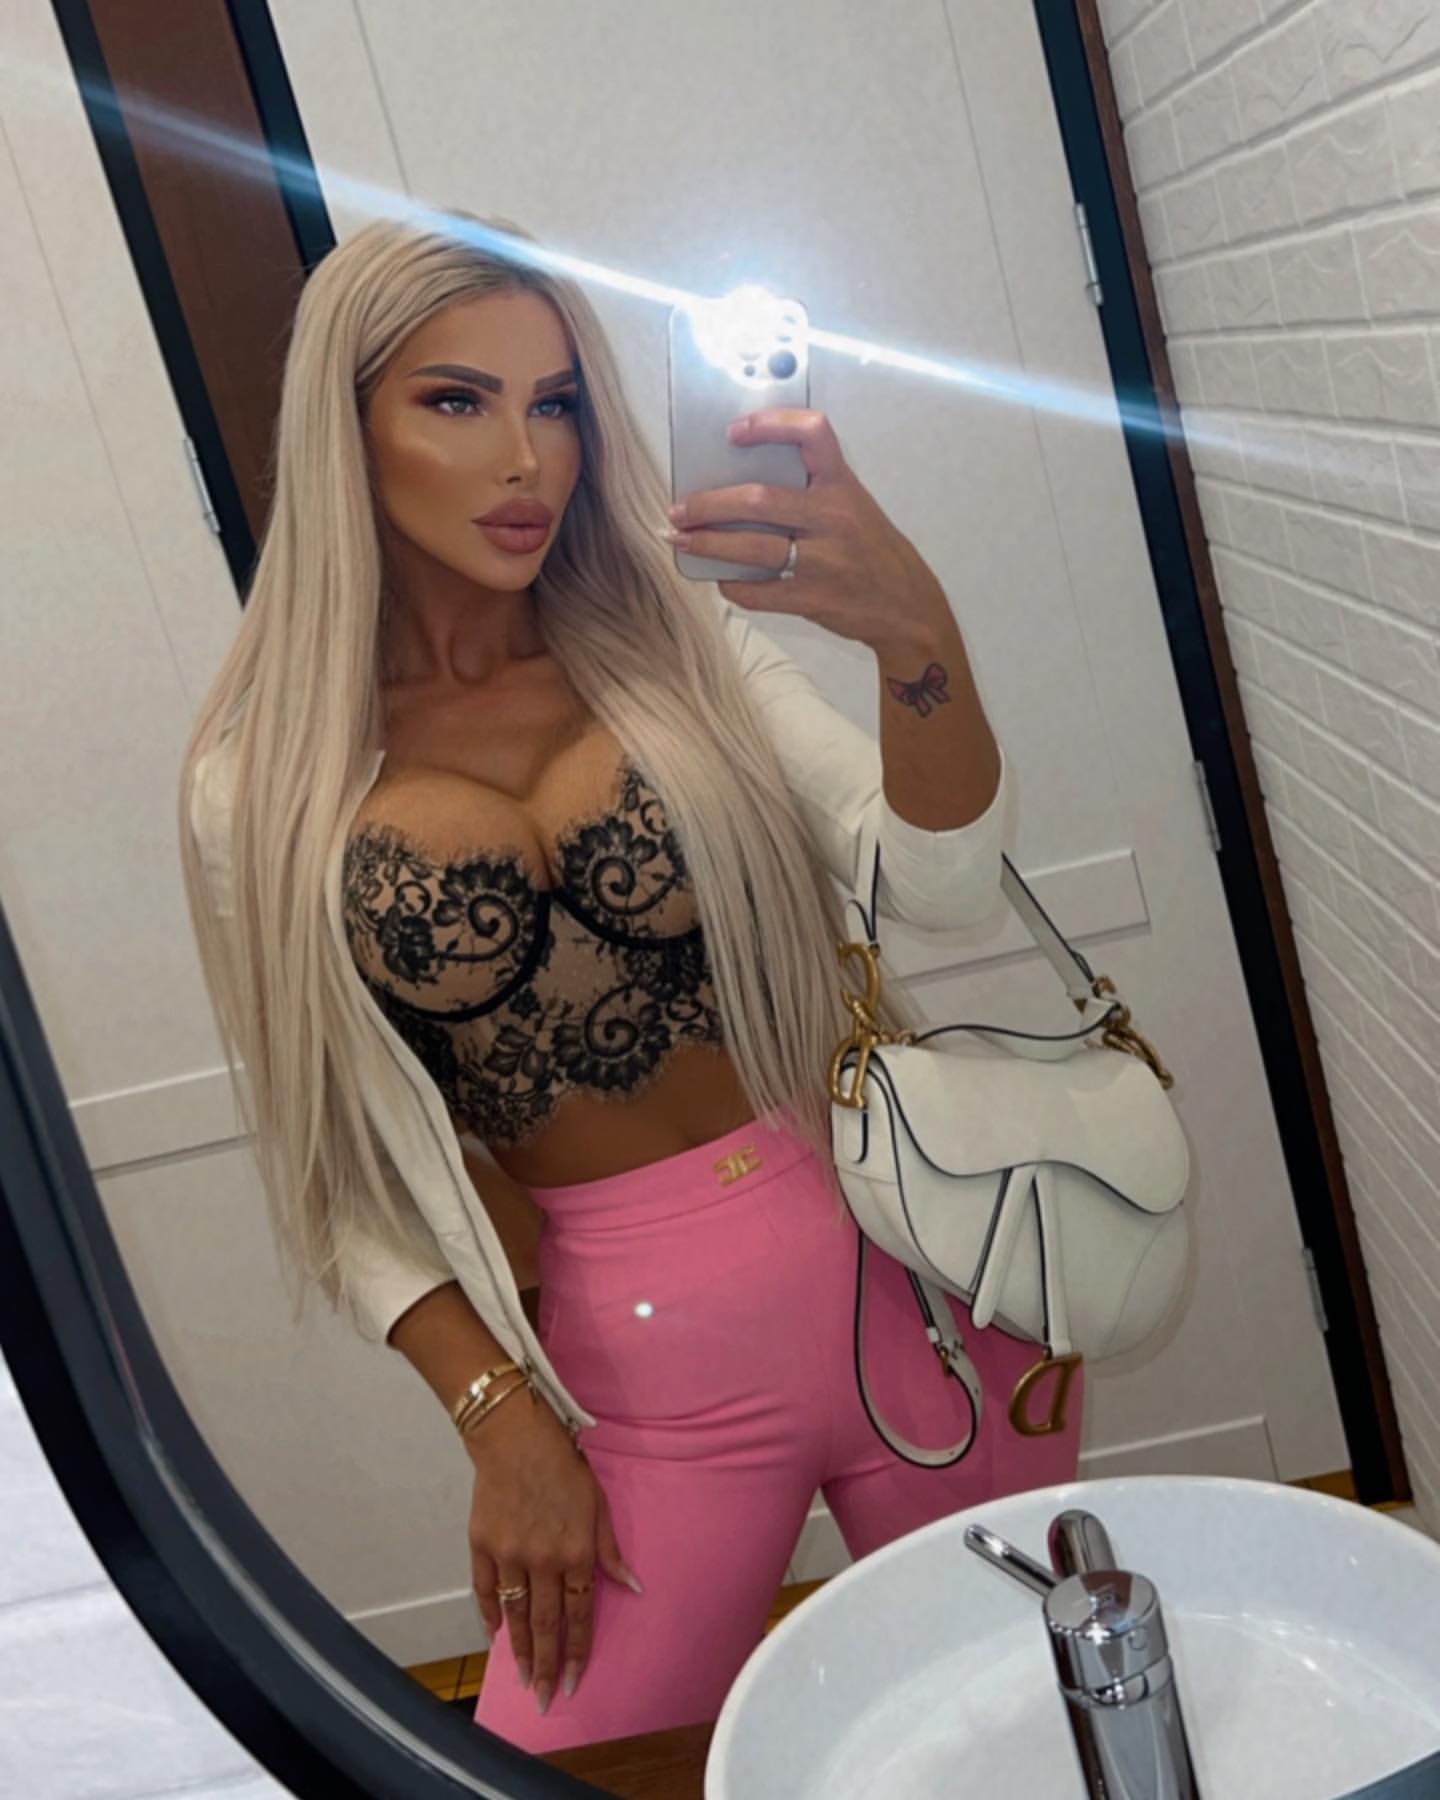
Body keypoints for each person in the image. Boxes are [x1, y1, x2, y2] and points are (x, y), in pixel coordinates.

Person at [181, 208, 1082, 1757]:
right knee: (557, 1762)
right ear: (346, 430)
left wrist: (913, 636)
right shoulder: (255, 785)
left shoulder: (682, 644)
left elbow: (936, 886)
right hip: (641, 1361)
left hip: (919, 1264)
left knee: (1038, 1726)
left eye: (557, 405)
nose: (524, 458)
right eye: (457, 401)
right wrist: (496, 1414)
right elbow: (330, 1168)